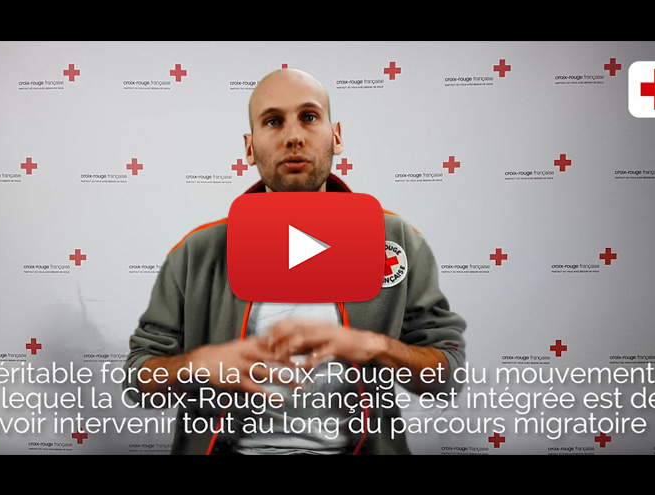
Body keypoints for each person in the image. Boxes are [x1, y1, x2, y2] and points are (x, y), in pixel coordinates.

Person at [124, 68, 467, 455]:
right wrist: (199, 364)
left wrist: (374, 345)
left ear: (336, 136)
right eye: (273, 121)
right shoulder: (199, 252)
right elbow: (138, 380)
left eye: (309, 116)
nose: (293, 137)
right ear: (249, 147)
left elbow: (447, 374)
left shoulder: (394, 240)